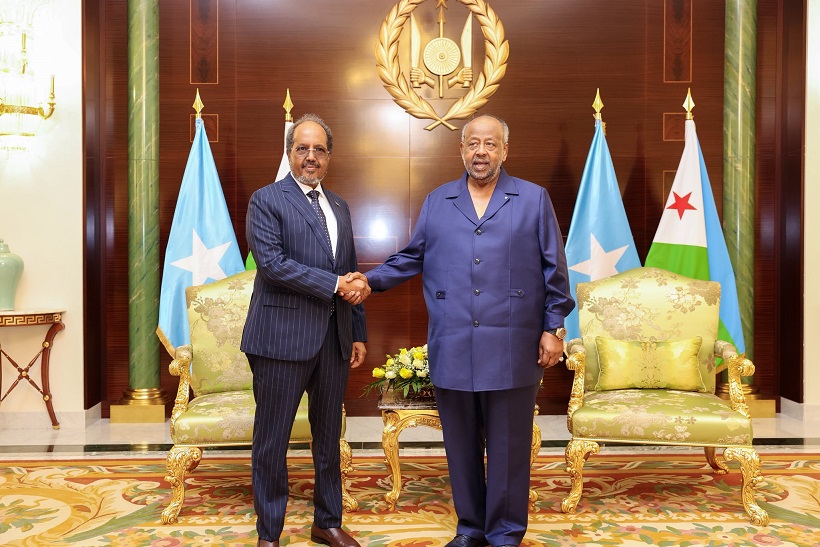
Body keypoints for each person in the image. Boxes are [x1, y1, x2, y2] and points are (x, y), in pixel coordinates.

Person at [363, 115, 574, 547]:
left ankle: (505, 532)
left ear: (505, 150)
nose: (481, 151)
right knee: (460, 445)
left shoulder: (533, 199)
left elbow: (555, 269)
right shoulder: (438, 200)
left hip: (513, 344)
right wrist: (367, 281)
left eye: (490, 144)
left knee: (509, 445)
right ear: (461, 150)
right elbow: (412, 256)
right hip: (454, 341)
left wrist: (554, 327)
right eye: (473, 143)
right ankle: (471, 528)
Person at [241, 113, 370, 547]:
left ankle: (326, 522)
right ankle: (269, 533)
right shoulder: (266, 199)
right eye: (302, 148)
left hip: (333, 340)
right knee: (272, 441)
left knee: (328, 437)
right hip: (281, 338)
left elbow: (349, 269)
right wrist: (334, 285)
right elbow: (273, 265)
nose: (310, 157)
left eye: (319, 150)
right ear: (289, 152)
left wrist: (357, 331)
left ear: (329, 156)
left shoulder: (339, 206)